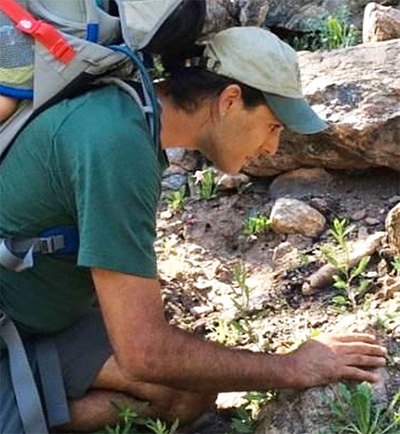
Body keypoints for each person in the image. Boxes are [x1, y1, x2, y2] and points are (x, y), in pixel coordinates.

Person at [0, 26, 387, 433]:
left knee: (189, 394)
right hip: (15, 321)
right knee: (169, 379)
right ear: (230, 100)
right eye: (273, 125)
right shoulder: (116, 146)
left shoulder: (130, 109)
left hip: (45, 314)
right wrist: (291, 367)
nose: (272, 148)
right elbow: (144, 352)